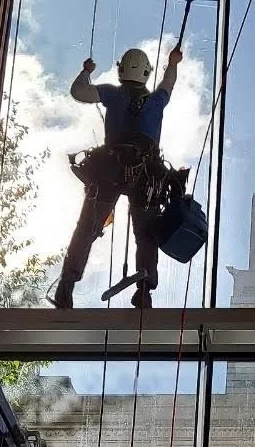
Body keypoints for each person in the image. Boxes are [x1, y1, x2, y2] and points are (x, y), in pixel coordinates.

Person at [53, 44, 185, 309]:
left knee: (88, 226)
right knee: (146, 233)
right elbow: (168, 84)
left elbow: (79, 92)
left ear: (122, 71)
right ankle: (144, 291)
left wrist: (86, 72)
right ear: (146, 73)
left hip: (108, 170)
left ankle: (66, 285)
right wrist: (173, 63)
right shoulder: (156, 100)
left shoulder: (112, 94)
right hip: (146, 175)